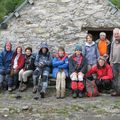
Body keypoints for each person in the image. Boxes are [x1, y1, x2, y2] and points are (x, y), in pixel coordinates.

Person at [110, 28, 120, 96]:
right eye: (115, 34)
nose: (116, 35)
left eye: (117, 33)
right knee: (115, 78)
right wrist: (111, 60)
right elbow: (111, 52)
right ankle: (117, 91)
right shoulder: (113, 42)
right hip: (114, 63)